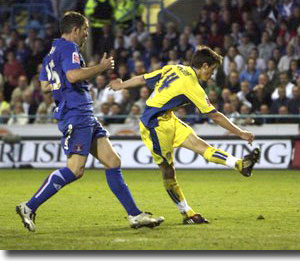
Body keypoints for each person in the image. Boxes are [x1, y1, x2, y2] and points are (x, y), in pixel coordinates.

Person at [16, 11, 163, 232]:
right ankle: (29, 205)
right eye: (85, 30)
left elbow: (45, 86)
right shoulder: (68, 48)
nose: (86, 34)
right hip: (76, 114)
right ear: (75, 29)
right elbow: (74, 76)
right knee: (75, 169)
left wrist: (63, 86)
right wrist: (101, 68)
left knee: (113, 161)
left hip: (83, 114)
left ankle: (135, 215)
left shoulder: (51, 54)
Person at [109, 46, 261, 224]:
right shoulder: (193, 86)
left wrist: (121, 85)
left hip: (168, 118)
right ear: (204, 66)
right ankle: (186, 213)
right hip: (154, 125)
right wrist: (240, 133)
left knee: (202, 147)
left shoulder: (174, 68)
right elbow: (214, 115)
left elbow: (144, 78)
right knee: (168, 171)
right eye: (212, 71)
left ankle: (240, 164)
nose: (211, 75)